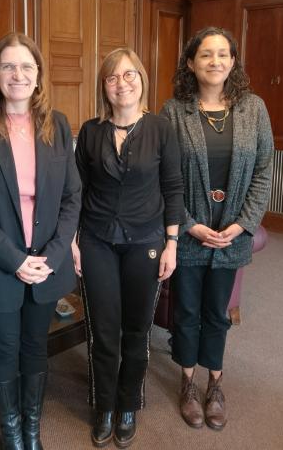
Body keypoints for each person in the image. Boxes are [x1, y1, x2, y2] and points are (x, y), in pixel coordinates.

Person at [0, 32, 81, 450]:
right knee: (5, 351)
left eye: (27, 66)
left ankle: (32, 429)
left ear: (39, 75)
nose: (18, 74)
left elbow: (72, 196)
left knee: (35, 348)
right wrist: (15, 260)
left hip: (47, 262)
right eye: (8, 66)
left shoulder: (57, 125)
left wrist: (54, 253)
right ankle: (11, 433)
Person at [161, 26, 274, 431]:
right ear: (191, 63)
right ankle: (188, 384)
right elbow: (165, 176)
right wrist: (189, 226)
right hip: (191, 235)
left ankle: (215, 383)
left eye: (223, 54)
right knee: (186, 311)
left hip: (231, 235)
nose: (215, 61)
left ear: (233, 62)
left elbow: (264, 171)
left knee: (217, 312)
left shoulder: (253, 109)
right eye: (206, 54)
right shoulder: (174, 111)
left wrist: (243, 224)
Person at [72, 47, 186, 448]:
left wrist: (172, 242)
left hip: (146, 241)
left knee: (136, 330)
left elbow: (173, 188)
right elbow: (77, 191)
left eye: (129, 75)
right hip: (97, 240)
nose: (122, 83)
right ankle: (103, 404)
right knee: (103, 330)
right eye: (112, 77)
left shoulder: (161, 129)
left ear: (141, 78)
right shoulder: (90, 131)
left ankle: (127, 405)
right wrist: (73, 240)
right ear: (104, 86)